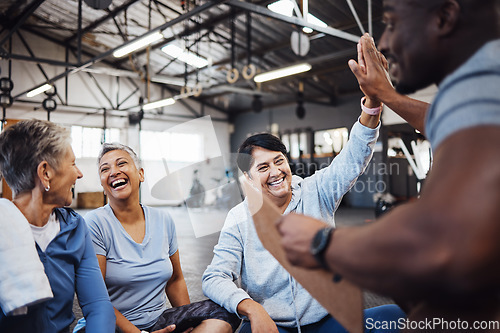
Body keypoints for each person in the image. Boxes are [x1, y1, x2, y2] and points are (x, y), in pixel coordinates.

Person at [277, 0, 500, 326]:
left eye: (392, 23)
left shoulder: (480, 82)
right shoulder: (478, 86)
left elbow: (440, 244)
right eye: (262, 165)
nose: (384, 42)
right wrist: (385, 95)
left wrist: (322, 242)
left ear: (444, 17)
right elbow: (441, 119)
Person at [202, 106, 405, 332]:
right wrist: (251, 308)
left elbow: (354, 156)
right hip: (274, 325)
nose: (275, 172)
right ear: (249, 178)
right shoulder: (239, 218)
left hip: (329, 320)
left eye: (279, 161)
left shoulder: (317, 191)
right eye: (263, 167)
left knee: (395, 317)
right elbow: (214, 276)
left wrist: (373, 105)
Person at [77, 143, 240, 333]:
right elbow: (95, 298)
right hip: (112, 326)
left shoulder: (163, 220)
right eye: (105, 169)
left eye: (121, 164)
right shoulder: (95, 223)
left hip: (159, 323)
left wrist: (188, 321)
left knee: (225, 312)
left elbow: (175, 279)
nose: (113, 172)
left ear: (141, 174)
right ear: (103, 182)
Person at [0, 119, 115, 332]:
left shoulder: (74, 227)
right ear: (45, 173)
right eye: (72, 163)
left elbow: (98, 305)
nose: (79, 173)